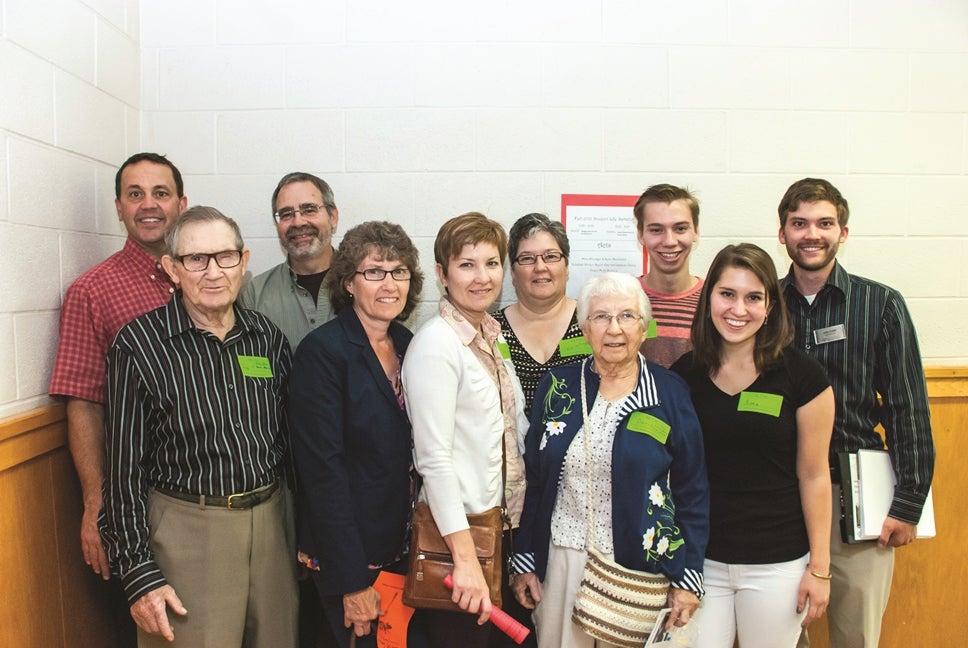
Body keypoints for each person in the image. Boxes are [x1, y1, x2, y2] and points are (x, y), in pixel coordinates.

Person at [100, 206, 298, 646]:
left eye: (225, 257)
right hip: (187, 534)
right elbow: (122, 472)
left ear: (244, 261)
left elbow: (289, 445)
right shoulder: (140, 346)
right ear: (172, 268)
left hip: (271, 530)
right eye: (196, 259)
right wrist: (139, 574)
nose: (213, 272)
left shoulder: (268, 339)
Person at [511, 272, 710, 648]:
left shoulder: (669, 394)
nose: (614, 328)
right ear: (584, 329)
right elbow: (534, 481)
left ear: (644, 327)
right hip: (562, 562)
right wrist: (524, 557)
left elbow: (692, 491)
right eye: (601, 317)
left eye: (627, 316)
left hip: (640, 569)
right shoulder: (558, 387)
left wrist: (687, 577)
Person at [776, 179, 935, 648]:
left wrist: (909, 502)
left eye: (825, 223)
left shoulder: (880, 304)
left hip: (857, 502)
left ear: (843, 232)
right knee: (780, 634)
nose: (812, 234)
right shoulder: (760, 306)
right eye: (799, 223)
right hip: (779, 499)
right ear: (782, 232)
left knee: (856, 637)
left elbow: (908, 408)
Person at [48, 152, 187, 644]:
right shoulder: (93, 291)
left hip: (207, 492)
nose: (149, 205)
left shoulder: (206, 278)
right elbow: (84, 402)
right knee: (159, 623)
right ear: (118, 207)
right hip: (139, 495)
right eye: (135, 195)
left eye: (161, 193)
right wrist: (95, 503)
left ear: (181, 203)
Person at [670, 244, 834, 648]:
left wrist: (820, 567)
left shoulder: (803, 377)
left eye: (753, 297)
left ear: (770, 307)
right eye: (727, 294)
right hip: (700, 564)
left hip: (777, 564)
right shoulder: (684, 375)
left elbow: (814, 475)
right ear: (708, 298)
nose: (738, 309)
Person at [289, 221, 427, 648]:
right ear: (349, 282)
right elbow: (322, 473)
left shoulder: (407, 343)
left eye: (399, 271)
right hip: (350, 557)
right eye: (374, 272)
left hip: (400, 548)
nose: (389, 283)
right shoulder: (323, 352)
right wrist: (352, 583)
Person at [401, 212, 529, 648]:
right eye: (467, 265)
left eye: (491, 264)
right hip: (461, 538)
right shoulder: (437, 344)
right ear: (442, 274)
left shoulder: (493, 339)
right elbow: (432, 460)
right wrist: (465, 559)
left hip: (499, 533)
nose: (482, 277)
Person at [493, 213, 590, 418]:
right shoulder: (490, 330)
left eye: (551, 256)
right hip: (511, 449)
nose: (540, 267)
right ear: (512, 272)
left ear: (566, 266)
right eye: (527, 258)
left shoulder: (593, 321)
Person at [241, 171, 339, 347]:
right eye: (286, 214)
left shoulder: (366, 282)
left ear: (333, 217)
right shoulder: (254, 294)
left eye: (309, 210)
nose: (298, 222)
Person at [634, 184, 703, 368]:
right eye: (656, 230)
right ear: (641, 235)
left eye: (680, 228)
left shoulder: (714, 301)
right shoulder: (623, 298)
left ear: (696, 231)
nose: (670, 241)